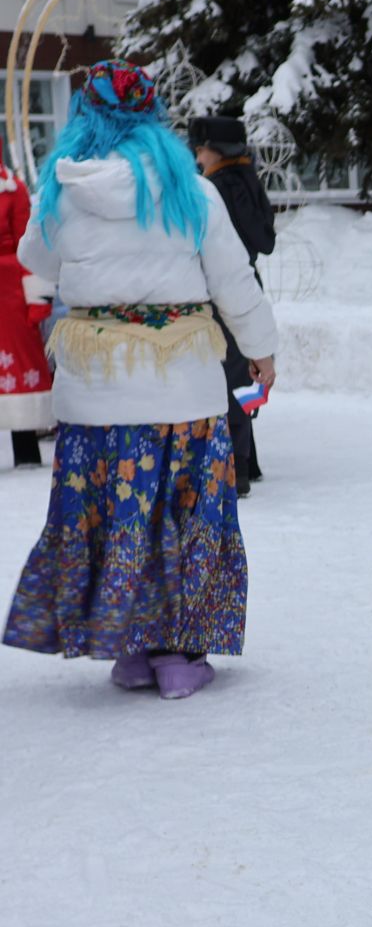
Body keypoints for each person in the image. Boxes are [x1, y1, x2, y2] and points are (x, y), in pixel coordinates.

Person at [2, 60, 276, 699]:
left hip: (95, 390)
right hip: (182, 385)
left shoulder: (63, 189)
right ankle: (181, 657)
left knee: (117, 519)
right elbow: (232, 280)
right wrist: (261, 350)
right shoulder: (189, 187)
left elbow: (33, 259)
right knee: (186, 517)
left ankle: (129, 650)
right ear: (153, 114)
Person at [189, 116, 276, 496]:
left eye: (202, 148)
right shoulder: (250, 180)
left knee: (223, 380)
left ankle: (235, 468)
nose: (196, 154)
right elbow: (266, 239)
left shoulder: (212, 189)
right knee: (241, 377)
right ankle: (247, 460)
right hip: (246, 284)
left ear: (216, 150)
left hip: (220, 290)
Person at [0, 156, 52, 467]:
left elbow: (28, 243)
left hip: (9, 291)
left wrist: (37, 299)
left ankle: (26, 449)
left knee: (18, 364)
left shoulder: (13, 189)